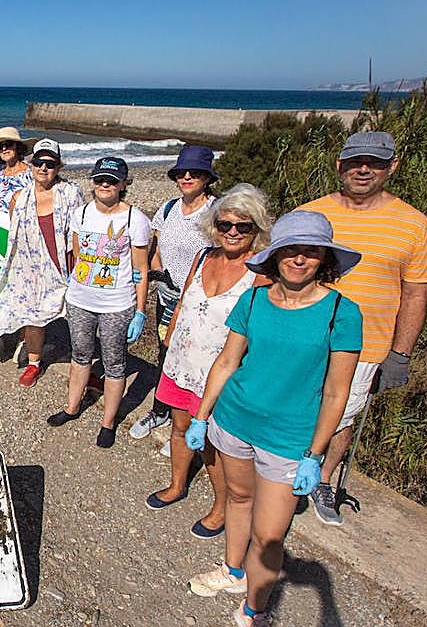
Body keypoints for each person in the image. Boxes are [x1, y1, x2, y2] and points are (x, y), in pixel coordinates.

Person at [184, 210, 363, 627]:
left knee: (270, 534)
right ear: (276, 253)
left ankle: (254, 612)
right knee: (238, 499)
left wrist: (315, 456)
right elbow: (226, 362)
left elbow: (336, 391)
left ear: (324, 257)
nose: (299, 259)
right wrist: (201, 416)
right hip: (233, 420)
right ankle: (232, 571)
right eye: (291, 249)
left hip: (289, 439)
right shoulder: (255, 300)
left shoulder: (342, 312)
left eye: (310, 251)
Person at [299, 131, 427, 525]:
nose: (364, 169)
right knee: (296, 406)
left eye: (375, 163)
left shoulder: (414, 225)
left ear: (391, 167)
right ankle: (287, 470)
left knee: (341, 416)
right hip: (303, 337)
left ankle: (322, 479)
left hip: (367, 345)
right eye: (355, 162)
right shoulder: (311, 214)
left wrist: (400, 354)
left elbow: (416, 294)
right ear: (339, 165)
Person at [145, 184, 272, 539]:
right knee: (180, 426)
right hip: (183, 360)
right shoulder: (203, 257)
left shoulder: (260, 274)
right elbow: (184, 298)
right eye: (225, 224)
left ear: (256, 229)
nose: (232, 232)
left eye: (242, 226)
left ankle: (221, 508)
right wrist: (168, 338)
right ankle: (177, 484)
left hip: (221, 372)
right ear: (213, 225)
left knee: (216, 443)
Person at [47, 157, 151, 448]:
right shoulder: (80, 214)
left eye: (112, 180)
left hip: (117, 304)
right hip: (80, 300)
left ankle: (108, 422)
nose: (105, 184)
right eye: (100, 179)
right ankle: (72, 407)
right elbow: (79, 254)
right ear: (92, 182)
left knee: (115, 362)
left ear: (123, 184)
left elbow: (140, 270)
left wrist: (140, 311)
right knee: (80, 354)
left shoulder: (135, 219)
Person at [130, 145, 220, 440]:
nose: (187, 177)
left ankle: (190, 422)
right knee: (165, 352)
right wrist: (158, 276)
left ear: (207, 177)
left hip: (198, 303)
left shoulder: (216, 213)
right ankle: (160, 411)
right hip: (167, 297)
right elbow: (156, 247)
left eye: (195, 172)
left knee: (196, 359)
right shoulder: (168, 208)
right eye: (182, 172)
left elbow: (222, 259)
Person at [0, 140, 85, 387]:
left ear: (58, 167)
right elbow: (15, 234)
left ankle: (83, 364)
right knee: (31, 316)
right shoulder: (20, 197)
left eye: (50, 164)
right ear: (31, 165)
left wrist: (79, 265)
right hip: (29, 267)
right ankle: (34, 362)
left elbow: (80, 233)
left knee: (77, 315)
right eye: (39, 162)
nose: (44, 168)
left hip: (64, 263)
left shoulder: (71, 193)